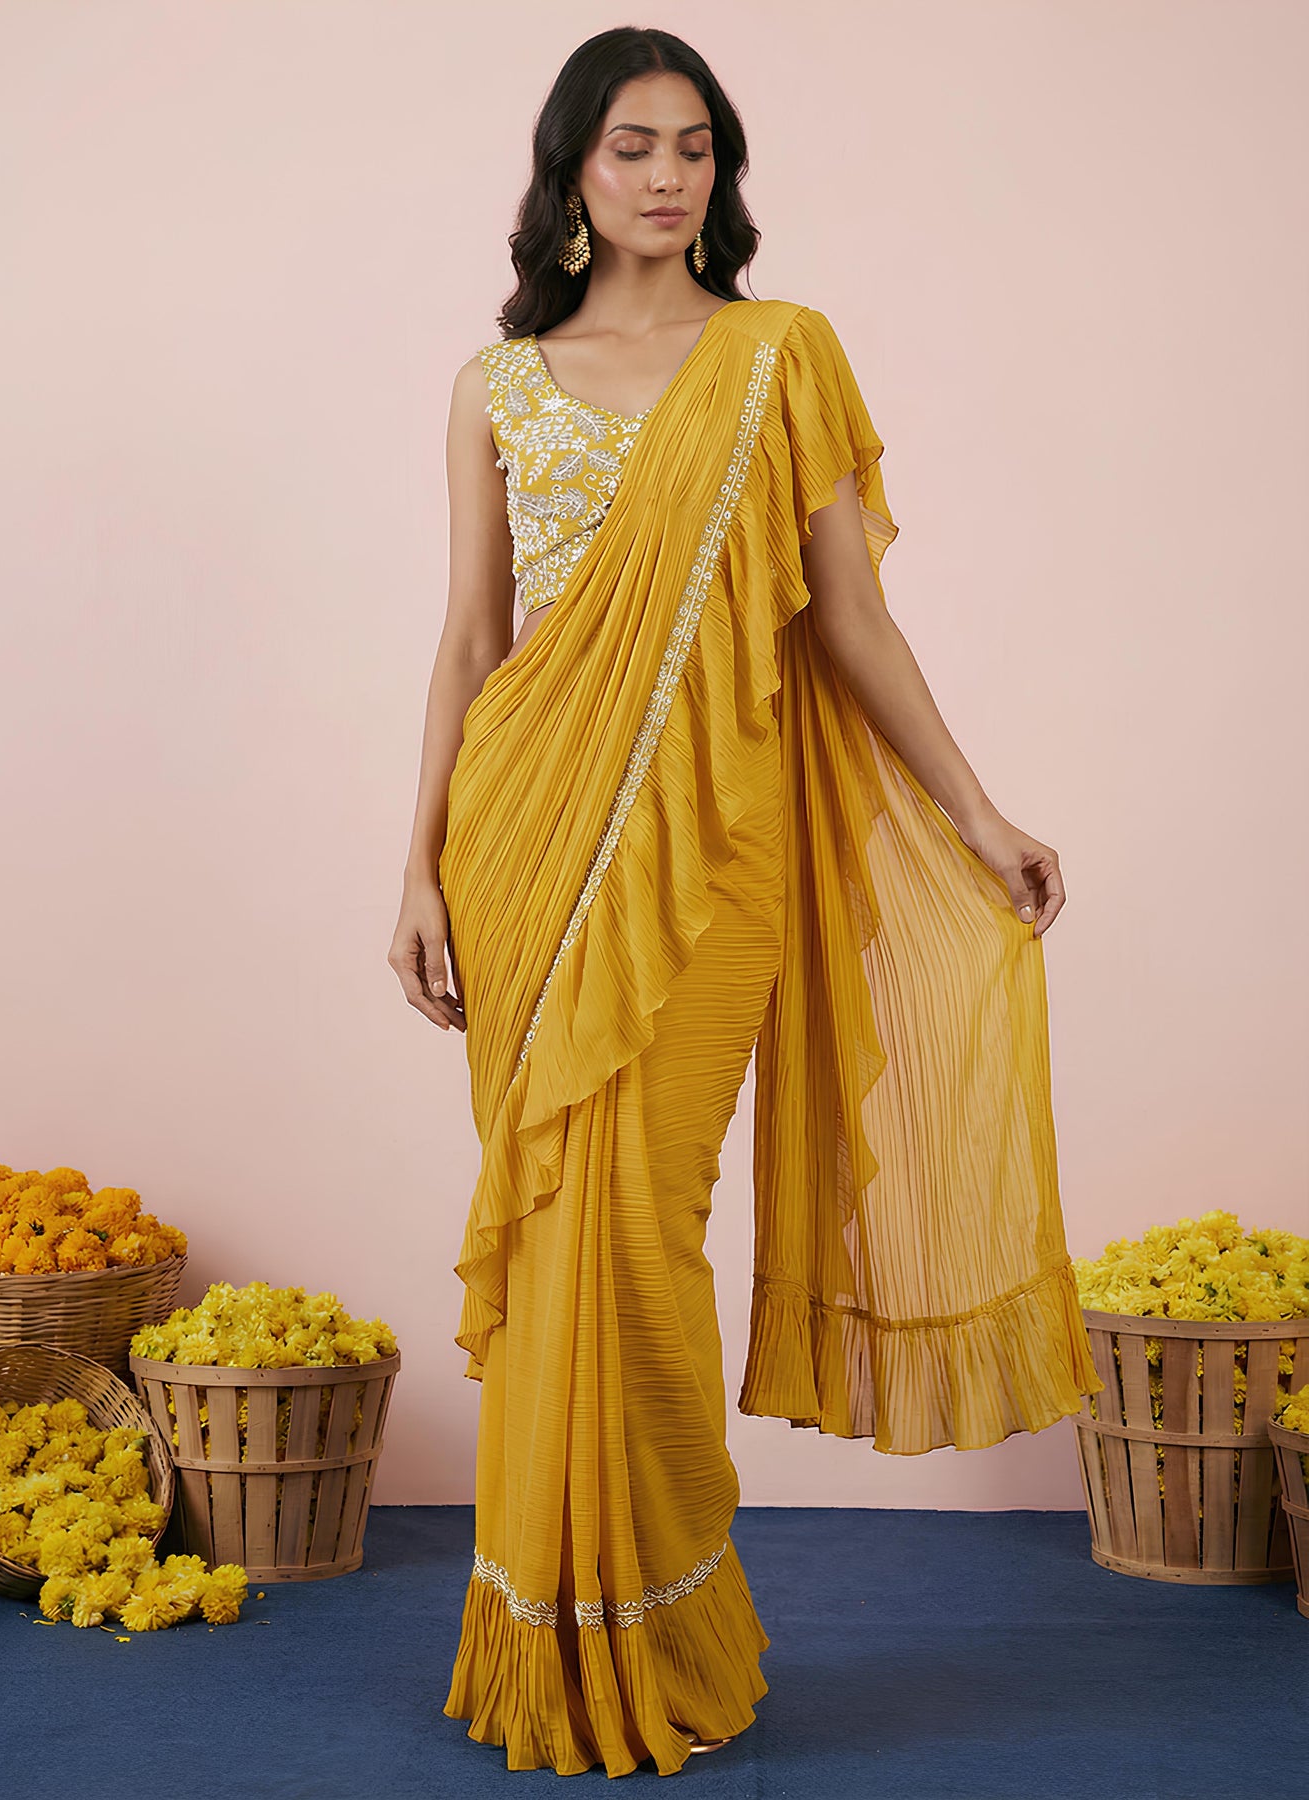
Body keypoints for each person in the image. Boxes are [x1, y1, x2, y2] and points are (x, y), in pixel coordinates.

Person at [388, 25, 1104, 1780]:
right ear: (571, 170)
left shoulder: (781, 356)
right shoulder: (496, 386)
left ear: (723, 171)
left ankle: (650, 1626)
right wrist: (415, 867)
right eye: (632, 146)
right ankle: (552, 1632)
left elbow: (850, 617)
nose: (667, 176)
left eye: (695, 147)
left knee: (638, 1224)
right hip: (522, 844)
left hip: (710, 853)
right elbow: (473, 639)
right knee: (555, 1228)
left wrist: (979, 811)